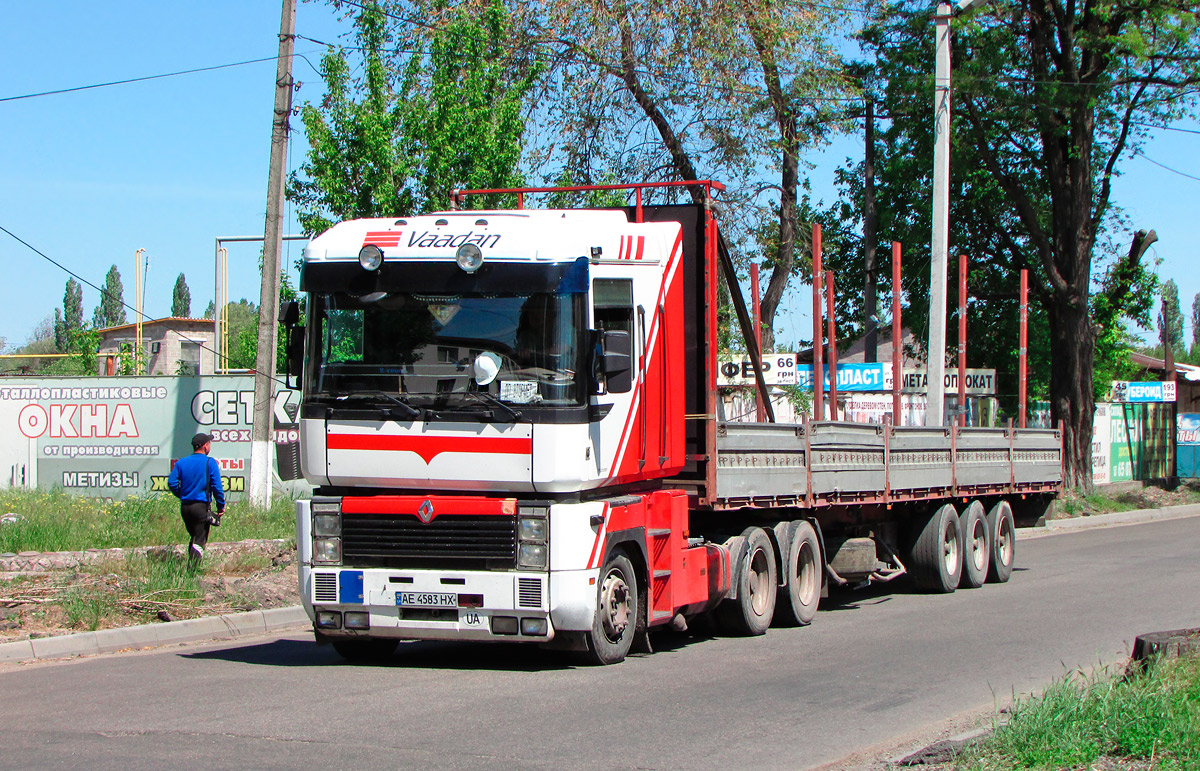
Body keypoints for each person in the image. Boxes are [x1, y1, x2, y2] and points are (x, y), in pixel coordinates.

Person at [167, 432, 225, 568]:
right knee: (200, 538)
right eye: (209, 443)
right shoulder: (209, 462)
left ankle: (191, 566)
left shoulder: (181, 463)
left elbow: (172, 482)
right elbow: (217, 486)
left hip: (185, 507)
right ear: (205, 446)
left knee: (194, 536)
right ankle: (192, 571)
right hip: (200, 506)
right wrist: (221, 506)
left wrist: (182, 494)